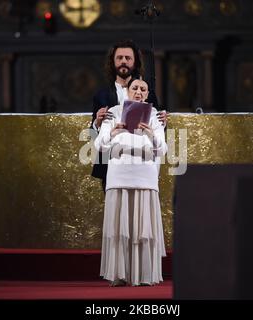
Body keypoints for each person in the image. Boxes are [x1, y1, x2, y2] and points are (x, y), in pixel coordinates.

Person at [94, 78, 167, 286]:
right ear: (127, 91)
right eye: (134, 88)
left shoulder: (153, 115)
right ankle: (119, 274)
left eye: (143, 89)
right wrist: (114, 132)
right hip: (119, 175)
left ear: (147, 94)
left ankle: (144, 275)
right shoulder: (114, 113)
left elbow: (162, 149)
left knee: (143, 228)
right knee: (119, 227)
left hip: (145, 175)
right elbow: (100, 145)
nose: (138, 92)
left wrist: (151, 134)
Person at [91, 39, 167, 191]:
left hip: (143, 164)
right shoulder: (102, 95)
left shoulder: (148, 93)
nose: (123, 62)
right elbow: (93, 134)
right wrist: (97, 124)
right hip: (111, 165)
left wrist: (162, 122)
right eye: (119, 58)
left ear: (135, 62)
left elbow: (157, 131)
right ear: (112, 62)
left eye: (128, 58)